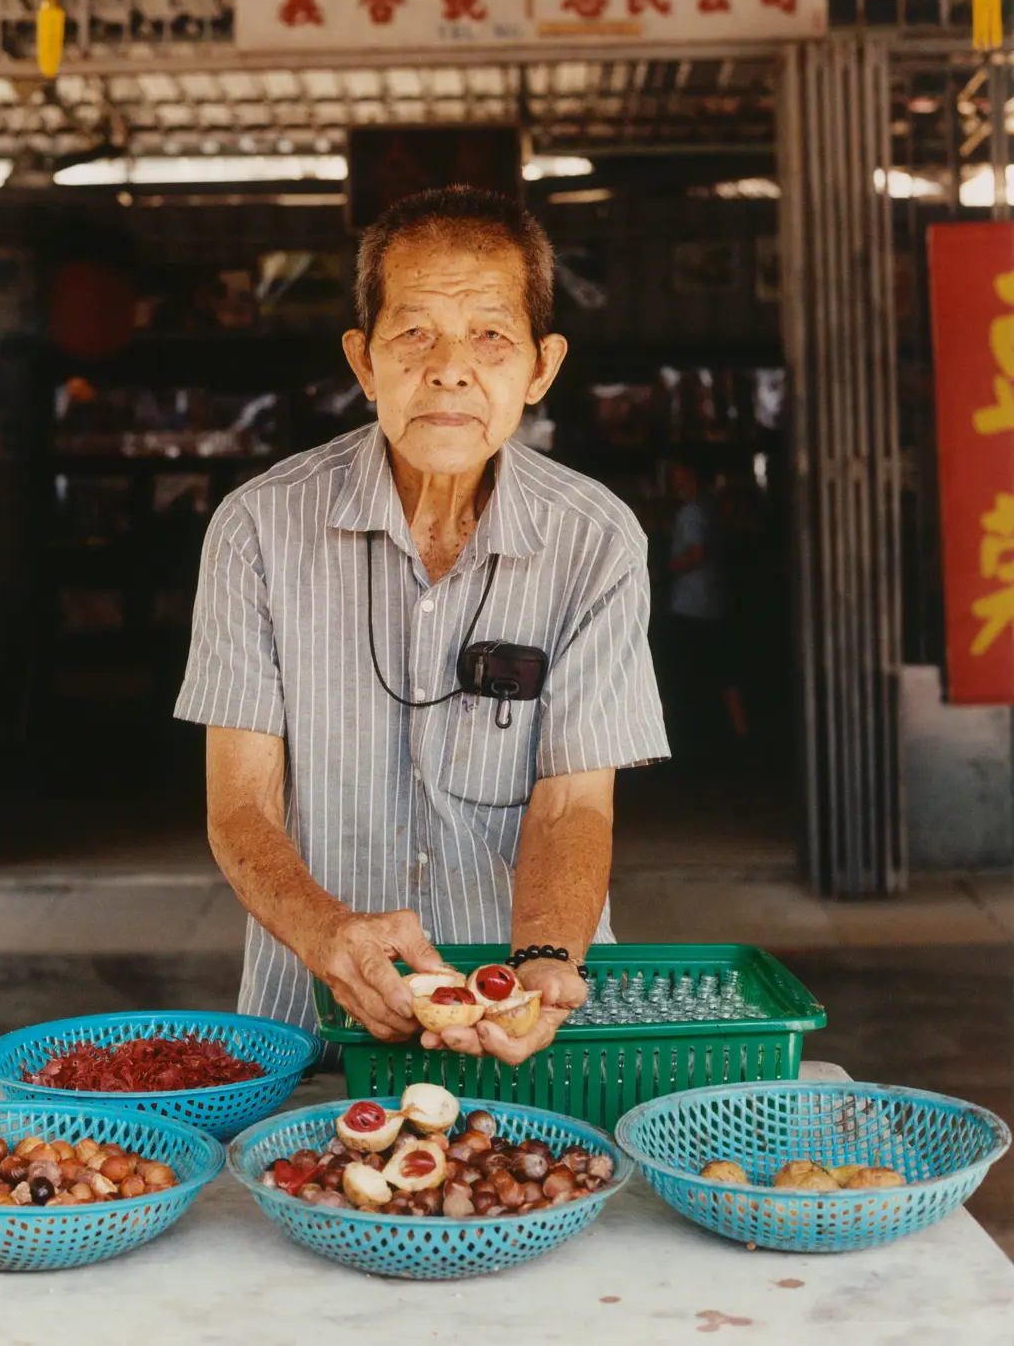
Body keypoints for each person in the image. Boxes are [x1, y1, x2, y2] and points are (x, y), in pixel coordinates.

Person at [176, 185, 668, 1066]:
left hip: (522, 1019)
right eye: (414, 335)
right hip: (313, 1023)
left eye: (491, 336)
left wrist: (546, 959)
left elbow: (575, 798)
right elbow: (241, 806)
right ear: (364, 363)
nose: (450, 368)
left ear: (541, 367)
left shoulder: (596, 540)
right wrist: (330, 936)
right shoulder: (257, 529)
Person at [667, 461, 748, 758]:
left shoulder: (691, 512)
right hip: (714, 601)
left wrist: (663, 570)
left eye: (679, 475)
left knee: (682, 674)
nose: (675, 482)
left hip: (693, 605)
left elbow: (697, 553)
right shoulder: (710, 508)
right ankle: (740, 733)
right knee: (723, 672)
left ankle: (681, 741)